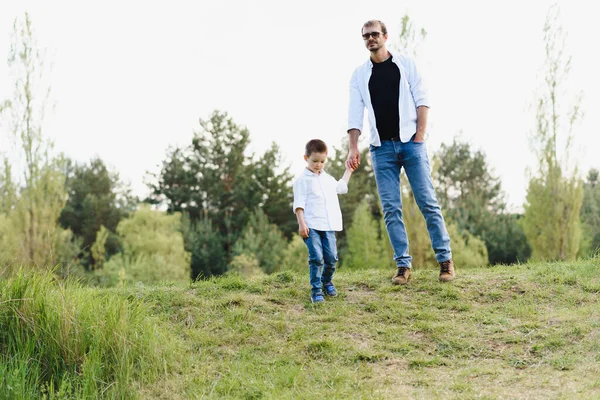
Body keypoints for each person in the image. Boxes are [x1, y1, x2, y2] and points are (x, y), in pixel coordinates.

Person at [346, 19, 455, 285]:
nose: (370, 39)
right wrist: (353, 147)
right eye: (366, 36)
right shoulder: (359, 75)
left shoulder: (405, 64)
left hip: (411, 144)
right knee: (391, 209)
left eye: (374, 34)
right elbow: (354, 113)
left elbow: (422, 99)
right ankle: (403, 266)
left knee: (427, 202)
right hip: (381, 149)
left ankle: (445, 261)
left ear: (385, 36)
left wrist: (419, 136)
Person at [293, 139, 354, 303]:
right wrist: (301, 223)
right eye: (315, 161)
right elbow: (299, 204)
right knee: (317, 258)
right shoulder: (302, 181)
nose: (319, 165)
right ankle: (316, 290)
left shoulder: (327, 179)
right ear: (306, 158)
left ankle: (326, 281)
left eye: (322, 161)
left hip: (328, 226)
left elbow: (341, 188)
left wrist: (348, 170)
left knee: (332, 258)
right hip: (310, 226)